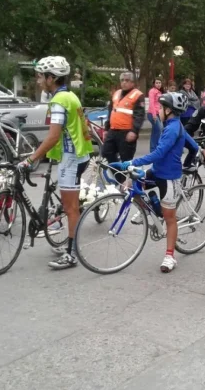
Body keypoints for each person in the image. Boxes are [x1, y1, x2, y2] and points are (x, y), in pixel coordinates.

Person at [18, 56, 92, 269]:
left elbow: (52, 136)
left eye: (41, 75)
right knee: (70, 206)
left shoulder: (59, 101)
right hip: (78, 156)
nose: (39, 79)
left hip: (71, 158)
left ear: (52, 78)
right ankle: (71, 245)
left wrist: (31, 159)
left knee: (70, 208)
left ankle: (72, 254)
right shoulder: (70, 96)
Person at [111, 93, 198, 273]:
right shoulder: (172, 125)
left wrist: (132, 162)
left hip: (169, 177)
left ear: (168, 110)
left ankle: (170, 256)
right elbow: (194, 147)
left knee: (170, 218)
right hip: (157, 171)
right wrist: (188, 162)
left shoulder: (173, 129)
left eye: (160, 108)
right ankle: (152, 210)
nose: (157, 111)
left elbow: (158, 154)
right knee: (135, 183)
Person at [102, 72, 145, 175]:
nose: (124, 83)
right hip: (113, 130)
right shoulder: (116, 93)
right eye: (122, 80)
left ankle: (127, 182)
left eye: (127, 80)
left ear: (132, 83)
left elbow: (139, 115)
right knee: (106, 152)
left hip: (127, 132)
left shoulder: (137, 95)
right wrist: (106, 129)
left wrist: (134, 131)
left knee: (126, 159)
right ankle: (119, 177)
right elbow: (111, 111)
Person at [147, 78, 164, 152]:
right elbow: (151, 103)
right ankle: (153, 148)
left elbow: (160, 104)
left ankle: (155, 147)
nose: (158, 84)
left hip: (159, 113)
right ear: (154, 84)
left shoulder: (160, 92)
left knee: (156, 131)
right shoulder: (152, 91)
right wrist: (154, 114)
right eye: (157, 83)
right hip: (152, 113)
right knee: (159, 129)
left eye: (159, 83)